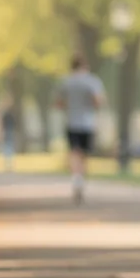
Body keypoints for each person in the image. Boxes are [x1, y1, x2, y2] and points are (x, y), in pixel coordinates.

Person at [54, 56, 107, 204]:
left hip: (72, 122)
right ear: (85, 65)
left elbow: (58, 103)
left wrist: (70, 106)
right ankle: (81, 179)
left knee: (74, 152)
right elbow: (98, 101)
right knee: (84, 154)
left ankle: (76, 179)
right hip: (88, 123)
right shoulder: (92, 81)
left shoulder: (66, 82)